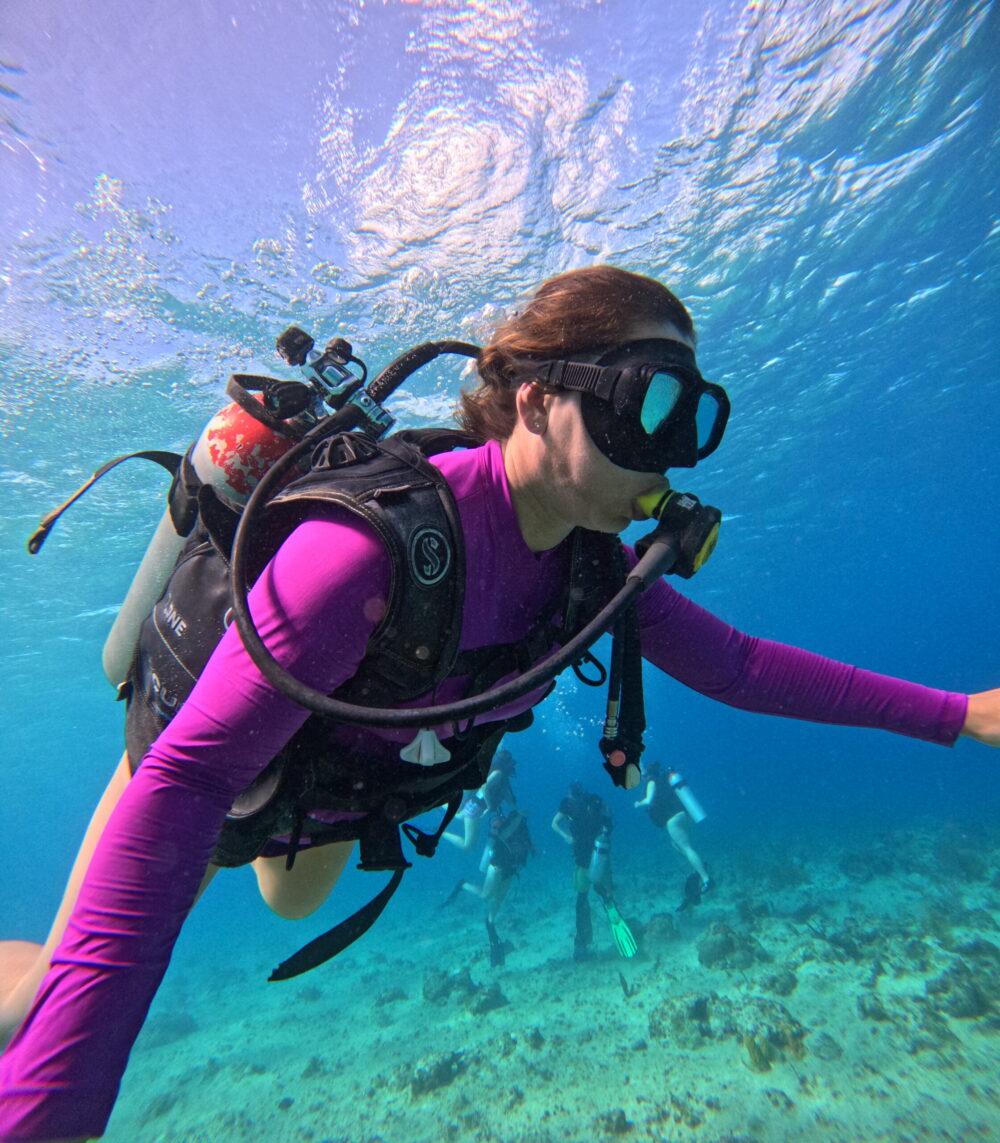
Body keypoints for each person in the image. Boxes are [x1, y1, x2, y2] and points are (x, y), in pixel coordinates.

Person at [1, 264, 998, 1142]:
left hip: (327, 790)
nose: (661, 458)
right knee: (49, 998)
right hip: (199, 765)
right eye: (643, 409)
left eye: (688, 423)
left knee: (286, 895)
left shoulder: (591, 572)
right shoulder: (369, 549)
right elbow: (190, 774)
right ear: (532, 399)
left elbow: (739, 667)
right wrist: (58, 1106)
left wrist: (962, 714)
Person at [552, 782, 636, 960]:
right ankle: (614, 917)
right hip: (600, 854)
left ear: (570, 792)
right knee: (605, 893)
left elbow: (554, 824)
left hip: (582, 858)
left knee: (582, 899)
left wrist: (567, 837)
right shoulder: (594, 800)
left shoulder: (567, 804)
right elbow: (608, 817)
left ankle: (581, 944)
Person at [445, 807, 535, 966]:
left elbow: (529, 846)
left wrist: (534, 849)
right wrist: (518, 819)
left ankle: (491, 927)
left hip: (511, 870)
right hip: (497, 866)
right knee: (485, 896)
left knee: (499, 900)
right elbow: (503, 836)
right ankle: (463, 884)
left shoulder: (523, 830)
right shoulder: (507, 826)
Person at [634, 760, 712, 909]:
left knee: (686, 848)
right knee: (676, 845)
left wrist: (639, 803)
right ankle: (698, 866)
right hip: (683, 815)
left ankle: (706, 878)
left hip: (672, 819)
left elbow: (649, 799)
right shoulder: (666, 778)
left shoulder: (651, 781)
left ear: (648, 773)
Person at [441, 748, 518, 853]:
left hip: (474, 806)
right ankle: (441, 832)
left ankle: (443, 806)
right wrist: (489, 805)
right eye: (510, 763)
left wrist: (516, 810)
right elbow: (484, 786)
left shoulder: (501, 777)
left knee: (459, 816)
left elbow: (508, 796)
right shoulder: (498, 774)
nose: (512, 766)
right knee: (468, 846)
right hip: (475, 808)